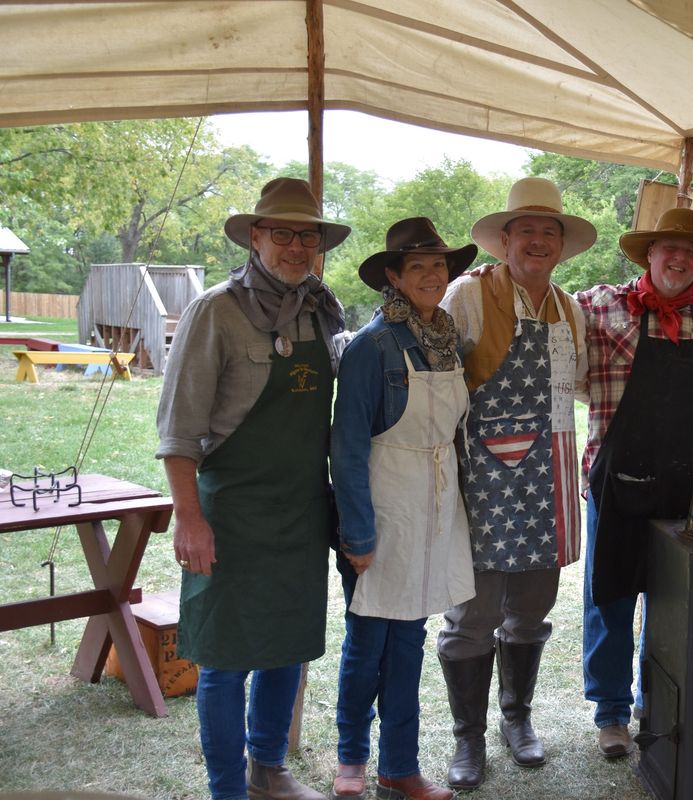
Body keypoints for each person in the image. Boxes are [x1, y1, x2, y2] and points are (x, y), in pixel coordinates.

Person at [157, 177, 349, 800]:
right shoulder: (217, 309)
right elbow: (179, 430)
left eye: (308, 235)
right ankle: (226, 788)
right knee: (224, 659)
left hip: (300, 509)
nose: (297, 247)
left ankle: (268, 768)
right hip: (230, 512)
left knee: (286, 646)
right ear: (257, 237)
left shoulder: (322, 309)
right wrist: (189, 517)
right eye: (284, 233)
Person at [436, 176, 593, 790]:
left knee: (532, 610)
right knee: (473, 615)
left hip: (546, 482)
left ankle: (516, 719)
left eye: (548, 232)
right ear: (504, 240)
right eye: (525, 230)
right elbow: (439, 386)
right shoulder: (467, 297)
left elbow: (577, 388)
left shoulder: (569, 307)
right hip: (484, 481)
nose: (537, 241)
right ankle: (467, 739)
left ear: (561, 246)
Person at [576, 207, 693, 758]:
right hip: (616, 480)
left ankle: (657, 703)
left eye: (689, 252)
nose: (678, 258)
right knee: (612, 597)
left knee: (672, 601)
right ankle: (612, 713)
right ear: (649, 253)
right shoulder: (600, 305)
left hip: (685, 486)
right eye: (669, 247)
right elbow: (544, 318)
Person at [328, 219, 478, 800]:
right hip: (383, 510)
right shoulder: (372, 347)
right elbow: (346, 447)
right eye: (417, 267)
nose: (431, 277)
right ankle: (352, 757)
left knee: (409, 643)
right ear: (393, 276)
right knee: (367, 643)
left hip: (434, 509)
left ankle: (401, 765)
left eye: (439, 266)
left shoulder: (446, 342)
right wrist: (358, 535)